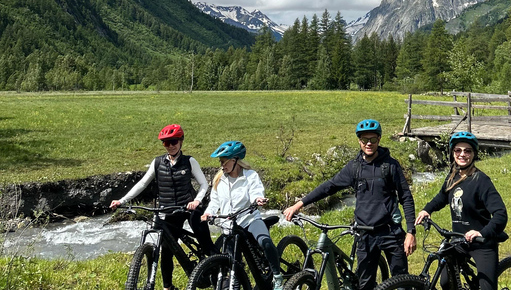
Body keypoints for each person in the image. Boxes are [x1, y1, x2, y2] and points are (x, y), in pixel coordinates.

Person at [283, 119, 416, 290]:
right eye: (364, 139)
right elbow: (329, 186)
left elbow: (406, 197)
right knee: (365, 284)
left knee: (402, 283)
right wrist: (298, 204)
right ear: (359, 141)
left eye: (373, 139)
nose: (369, 143)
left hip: (390, 231)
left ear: (379, 139)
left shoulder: (390, 165)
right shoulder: (354, 167)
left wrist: (411, 231)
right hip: (365, 234)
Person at [110, 124, 215, 290]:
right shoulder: (158, 162)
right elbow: (143, 183)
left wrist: (196, 201)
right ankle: (168, 287)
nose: (171, 146)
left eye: (173, 141)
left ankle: (219, 270)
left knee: (204, 239)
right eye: (166, 143)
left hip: (188, 206)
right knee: (167, 248)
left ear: (181, 142)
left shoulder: (189, 161)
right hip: (167, 209)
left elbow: (203, 185)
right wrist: (121, 201)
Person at [416, 131, 508, 290]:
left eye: (467, 151)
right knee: (446, 282)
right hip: (459, 240)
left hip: (482, 243)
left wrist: (482, 233)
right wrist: (427, 210)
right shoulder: (453, 176)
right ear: (453, 153)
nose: (462, 154)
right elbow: (441, 197)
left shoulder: (482, 181)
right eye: (458, 150)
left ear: (473, 154)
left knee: (487, 288)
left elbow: (501, 214)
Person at [201, 141, 284, 290]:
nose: (222, 166)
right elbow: (215, 202)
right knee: (234, 263)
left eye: (224, 162)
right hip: (229, 225)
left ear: (235, 160)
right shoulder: (219, 180)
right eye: (220, 162)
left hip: (249, 219)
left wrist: (258, 199)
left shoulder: (250, 176)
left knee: (265, 241)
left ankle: (277, 276)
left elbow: (256, 192)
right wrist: (208, 213)